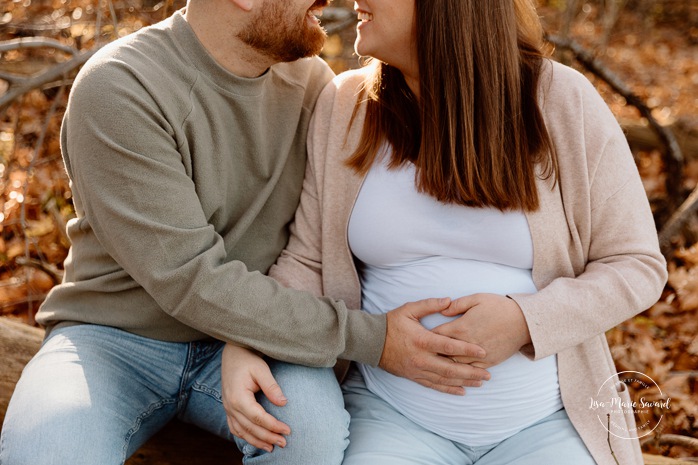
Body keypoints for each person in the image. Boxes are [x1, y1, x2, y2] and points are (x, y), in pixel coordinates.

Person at [0, 0, 493, 463]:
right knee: (46, 452)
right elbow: (190, 279)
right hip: (115, 340)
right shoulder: (121, 86)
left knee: (311, 435)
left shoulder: (313, 86)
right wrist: (375, 338)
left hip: (265, 338)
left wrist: (250, 342)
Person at [221, 0, 669, 463]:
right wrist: (247, 342)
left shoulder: (560, 100)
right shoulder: (347, 105)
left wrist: (525, 320)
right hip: (389, 417)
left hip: (549, 422)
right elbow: (308, 263)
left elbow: (636, 264)